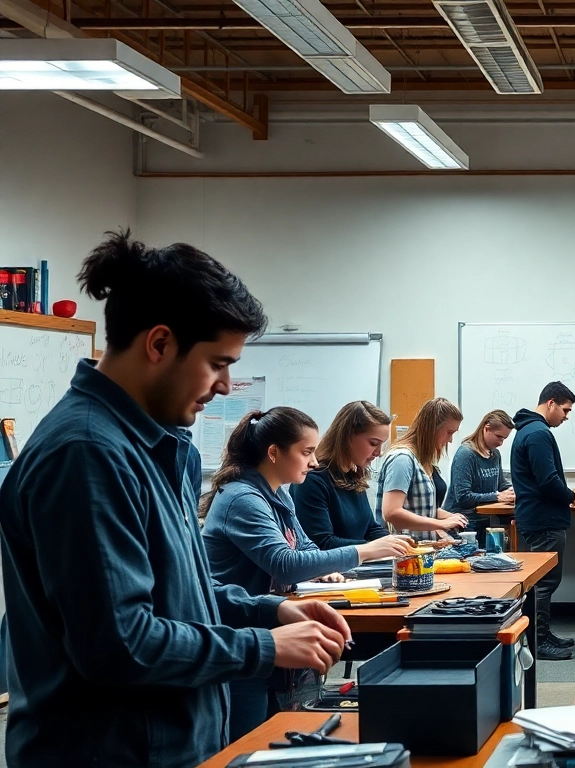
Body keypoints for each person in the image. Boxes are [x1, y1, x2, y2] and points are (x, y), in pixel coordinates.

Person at [0, 231, 352, 767]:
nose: (228, 386)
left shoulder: (155, 446)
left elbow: (180, 592)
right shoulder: (88, 454)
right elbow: (121, 644)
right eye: (217, 363)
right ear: (159, 344)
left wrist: (271, 609)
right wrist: (264, 646)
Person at [201, 406, 414, 740]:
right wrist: (363, 551)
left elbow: (306, 548)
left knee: (285, 731)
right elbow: (284, 562)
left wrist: (321, 569)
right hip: (240, 634)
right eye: (306, 452)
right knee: (249, 740)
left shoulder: (278, 493)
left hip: (271, 626)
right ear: (274, 453)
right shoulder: (242, 498)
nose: (314, 462)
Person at [511, 381, 575, 661]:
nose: (566, 416)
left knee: (546, 581)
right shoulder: (538, 433)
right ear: (551, 403)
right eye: (565, 410)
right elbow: (548, 480)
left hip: (539, 516)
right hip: (544, 518)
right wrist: (572, 495)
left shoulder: (528, 430)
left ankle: (542, 633)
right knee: (544, 583)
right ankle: (538, 640)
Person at [292, 400, 399, 550]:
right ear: (347, 436)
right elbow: (321, 543)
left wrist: (397, 543)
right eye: (374, 443)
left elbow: (370, 528)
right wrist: (375, 547)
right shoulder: (312, 480)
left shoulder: (353, 475)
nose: (379, 453)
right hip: (330, 572)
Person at [377, 397, 469, 542]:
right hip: (405, 556)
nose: (450, 440)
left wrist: (448, 517)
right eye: (449, 432)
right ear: (432, 428)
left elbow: (420, 509)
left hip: (422, 552)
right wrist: (440, 524)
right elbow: (392, 512)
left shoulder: (423, 460)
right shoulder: (402, 459)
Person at [449, 409, 517, 542]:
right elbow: (463, 497)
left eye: (504, 438)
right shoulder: (466, 454)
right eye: (499, 436)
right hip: (464, 525)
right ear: (486, 429)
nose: (501, 442)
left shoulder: (495, 454)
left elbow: (501, 484)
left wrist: (514, 492)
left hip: (485, 521)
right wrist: (497, 496)